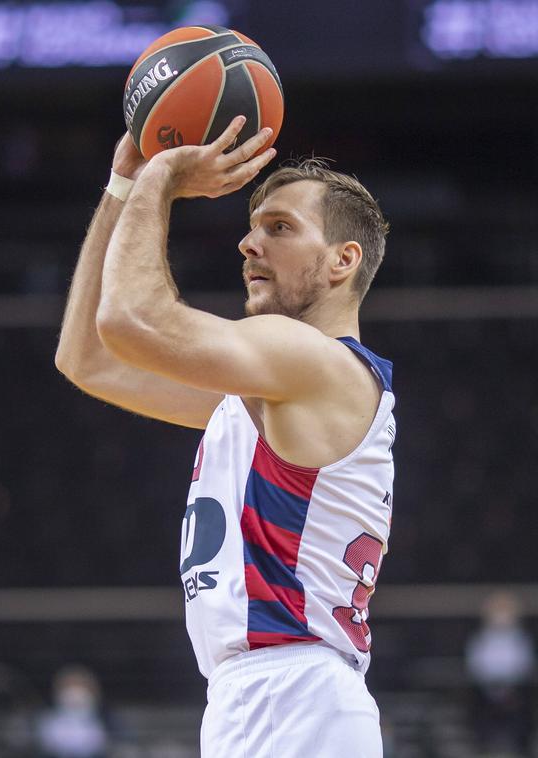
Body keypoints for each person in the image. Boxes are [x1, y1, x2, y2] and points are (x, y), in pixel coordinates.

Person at [56, 117, 394, 757]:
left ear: (342, 261)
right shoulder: (272, 389)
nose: (248, 243)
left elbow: (129, 318)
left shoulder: (317, 363)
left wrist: (161, 176)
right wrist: (121, 186)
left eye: (280, 228)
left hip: (299, 694)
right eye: (253, 225)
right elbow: (88, 359)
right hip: (252, 695)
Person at [466, 590, 534, 755]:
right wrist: (493, 686)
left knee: (521, 715)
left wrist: (510, 688)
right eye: (498, 612)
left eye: (505, 613)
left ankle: (520, 749)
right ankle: (484, 748)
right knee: (480, 715)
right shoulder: (481, 640)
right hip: (486, 695)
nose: (501, 618)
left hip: (515, 694)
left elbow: (525, 666)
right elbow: (476, 667)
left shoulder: (521, 639)